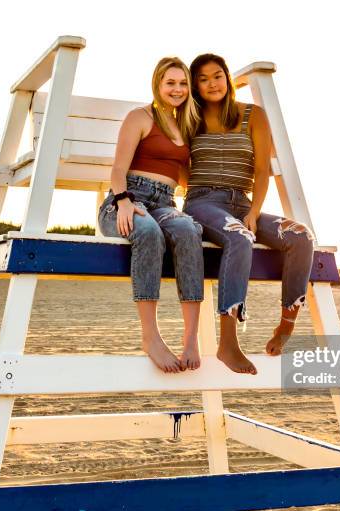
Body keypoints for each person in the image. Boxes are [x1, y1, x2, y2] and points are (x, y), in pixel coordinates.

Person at [183, 53, 315, 375]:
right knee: (240, 236)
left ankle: (286, 325)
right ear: (195, 86)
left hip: (242, 203)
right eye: (202, 79)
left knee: (301, 237)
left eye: (217, 76)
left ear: (227, 78)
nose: (212, 84)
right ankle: (228, 343)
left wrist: (254, 212)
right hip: (203, 203)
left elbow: (260, 169)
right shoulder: (189, 118)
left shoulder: (252, 115)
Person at [98, 57, 204, 374]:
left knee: (187, 230)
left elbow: (186, 178)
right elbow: (117, 170)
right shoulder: (140, 117)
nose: (177, 89)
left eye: (183, 83)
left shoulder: (185, 126)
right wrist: (124, 201)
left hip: (165, 203)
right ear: (158, 83)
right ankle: (150, 337)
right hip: (126, 199)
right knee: (148, 232)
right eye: (170, 82)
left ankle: (190, 338)